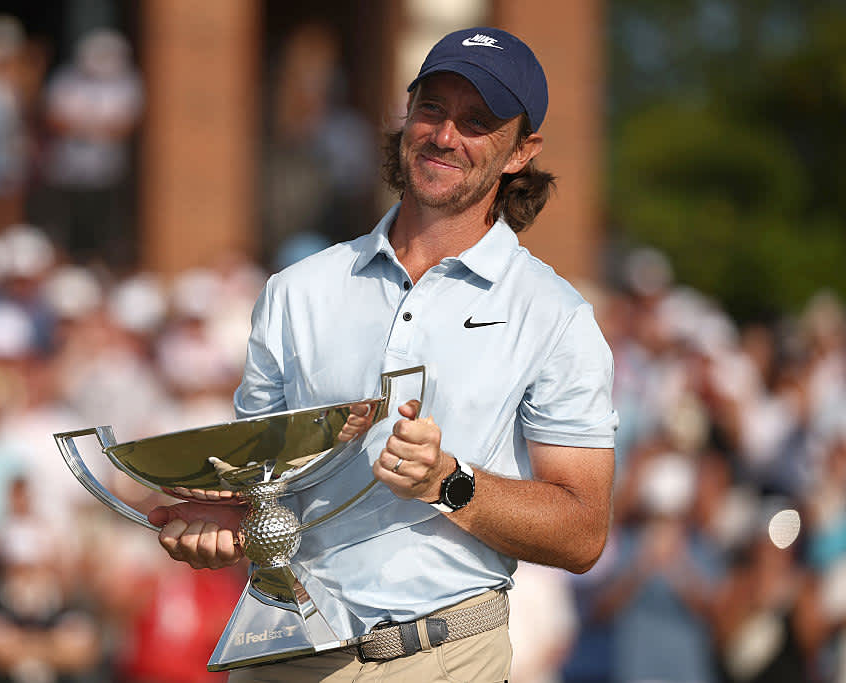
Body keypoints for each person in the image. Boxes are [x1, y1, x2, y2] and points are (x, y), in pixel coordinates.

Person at [148, 27, 618, 681]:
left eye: (477, 121)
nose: (445, 135)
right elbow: (262, 482)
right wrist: (217, 519)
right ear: (406, 113)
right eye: (432, 108)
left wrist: (448, 483)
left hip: (445, 655)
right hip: (286, 650)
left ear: (522, 151)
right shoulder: (297, 291)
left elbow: (583, 529)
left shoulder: (557, 315)